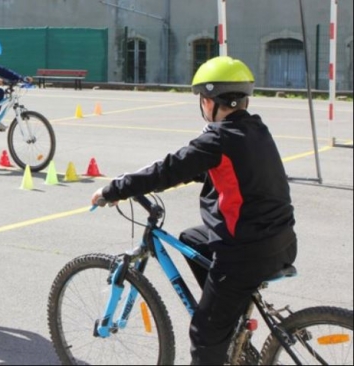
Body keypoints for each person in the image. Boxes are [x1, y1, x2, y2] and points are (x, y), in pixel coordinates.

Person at [91, 56, 297, 365]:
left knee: (203, 336)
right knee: (191, 238)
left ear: (209, 100)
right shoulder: (255, 129)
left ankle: (218, 323)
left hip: (245, 254)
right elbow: (217, 169)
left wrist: (114, 189)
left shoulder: (216, 138)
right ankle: (229, 318)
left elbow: (168, 169)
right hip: (282, 242)